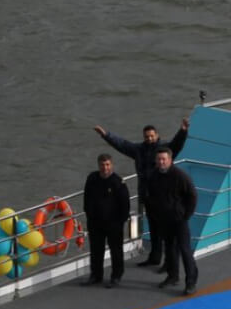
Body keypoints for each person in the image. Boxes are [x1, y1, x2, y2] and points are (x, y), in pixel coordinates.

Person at [93, 119, 189, 268]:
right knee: (153, 229)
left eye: (151, 136)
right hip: (147, 196)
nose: (149, 139)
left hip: (163, 198)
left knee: (167, 232)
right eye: (146, 136)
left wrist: (183, 131)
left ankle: (169, 264)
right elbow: (122, 144)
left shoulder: (164, 150)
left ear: (157, 135)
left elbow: (177, 144)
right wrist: (106, 135)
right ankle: (155, 257)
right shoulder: (139, 150)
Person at [150, 147, 198, 296]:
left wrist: (186, 215)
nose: (161, 162)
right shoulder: (154, 176)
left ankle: (191, 282)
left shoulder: (180, 176)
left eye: (164, 159)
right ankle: (173, 276)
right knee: (170, 249)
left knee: (185, 250)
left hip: (179, 220)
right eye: (159, 159)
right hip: (164, 220)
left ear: (170, 160)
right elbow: (151, 195)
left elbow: (192, 195)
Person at [81, 154, 131, 288]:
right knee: (96, 250)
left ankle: (116, 276)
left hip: (114, 224)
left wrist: (120, 222)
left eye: (107, 164)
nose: (105, 168)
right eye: (102, 165)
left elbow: (125, 204)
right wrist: (89, 215)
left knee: (116, 251)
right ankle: (96, 275)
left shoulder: (118, 182)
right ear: (98, 165)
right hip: (95, 223)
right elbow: (86, 198)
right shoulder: (92, 178)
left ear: (112, 165)